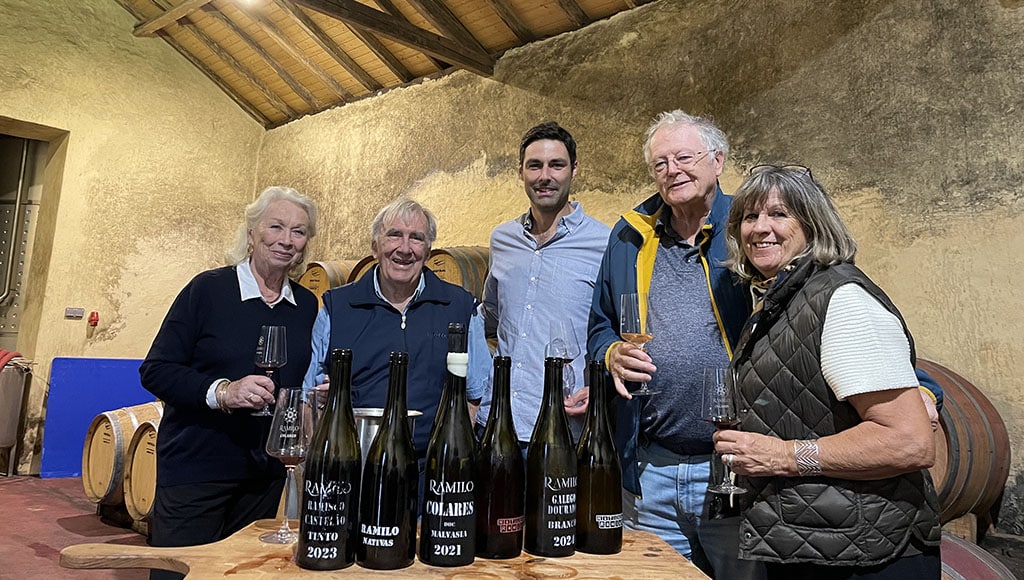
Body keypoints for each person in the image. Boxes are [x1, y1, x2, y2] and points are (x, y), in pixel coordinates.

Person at [713, 165, 941, 579]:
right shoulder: (782, 299)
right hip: (816, 542)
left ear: (813, 224)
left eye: (779, 214)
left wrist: (784, 456)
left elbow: (908, 442)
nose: (760, 228)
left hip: (866, 556)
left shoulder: (842, 301)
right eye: (749, 217)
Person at [587, 110, 757, 577]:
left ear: (718, 161)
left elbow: (812, 311)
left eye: (685, 157)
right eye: (660, 164)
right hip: (650, 467)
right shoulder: (629, 235)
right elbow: (600, 322)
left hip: (731, 466)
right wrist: (610, 353)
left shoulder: (749, 229)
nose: (672, 171)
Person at [140, 186, 319, 580]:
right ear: (252, 233)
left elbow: (300, 380)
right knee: (180, 573)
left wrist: (313, 397)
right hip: (198, 465)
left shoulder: (306, 306)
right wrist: (223, 392)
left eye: (299, 232)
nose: (286, 240)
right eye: (276, 227)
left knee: (240, 574)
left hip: (264, 471)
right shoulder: (208, 290)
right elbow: (155, 369)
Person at [303, 198, 489, 459]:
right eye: (394, 235)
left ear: (427, 250)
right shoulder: (337, 308)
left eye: (416, 238)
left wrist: (452, 454)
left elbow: (477, 395)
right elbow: (307, 397)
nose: (404, 248)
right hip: (356, 465)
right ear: (375, 246)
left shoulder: (458, 307)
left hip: (430, 469)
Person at [477, 121, 610, 443]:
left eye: (556, 165)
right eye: (534, 166)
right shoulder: (503, 239)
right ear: (521, 172)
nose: (545, 176)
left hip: (565, 427)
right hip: (498, 423)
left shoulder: (604, 242)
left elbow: (617, 331)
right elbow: (490, 317)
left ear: (574, 170)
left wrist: (601, 385)